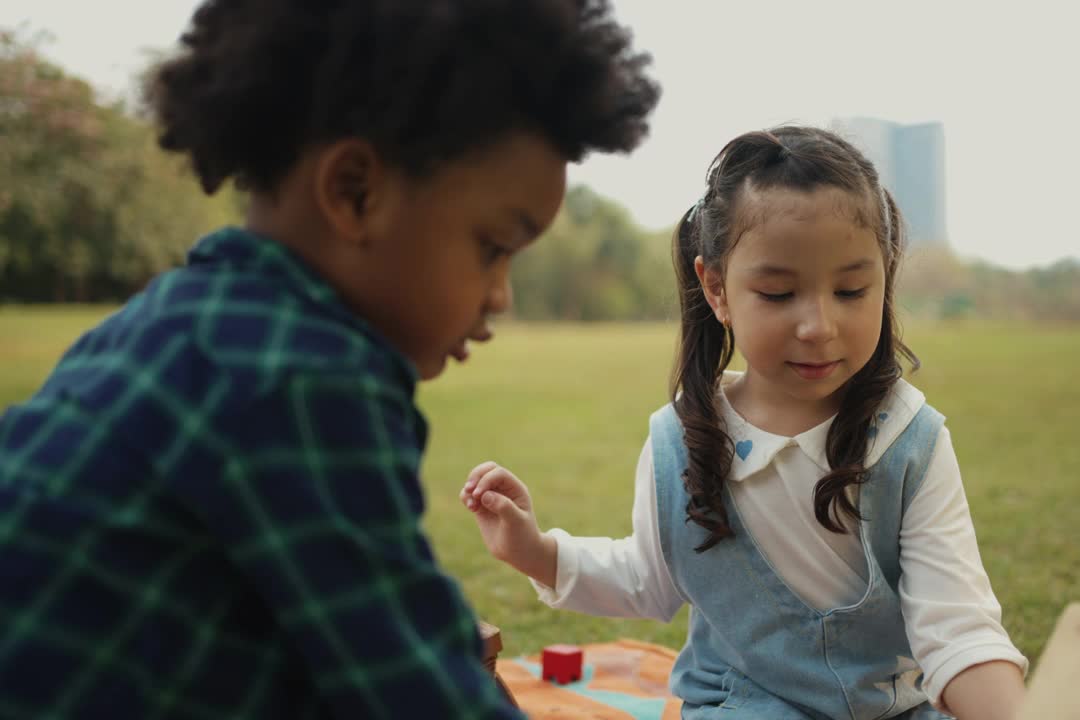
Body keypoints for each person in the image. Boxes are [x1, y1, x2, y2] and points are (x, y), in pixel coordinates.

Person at [0, 1, 659, 717]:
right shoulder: (300, 380)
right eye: (493, 247)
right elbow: (422, 691)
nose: (500, 296)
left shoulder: (163, 325)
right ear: (355, 191)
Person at [461, 126, 1028, 719]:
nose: (819, 325)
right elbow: (648, 578)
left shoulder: (912, 440)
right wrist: (534, 550)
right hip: (744, 707)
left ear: (885, 279)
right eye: (780, 294)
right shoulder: (680, 441)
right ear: (717, 288)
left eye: (852, 289)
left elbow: (957, 626)